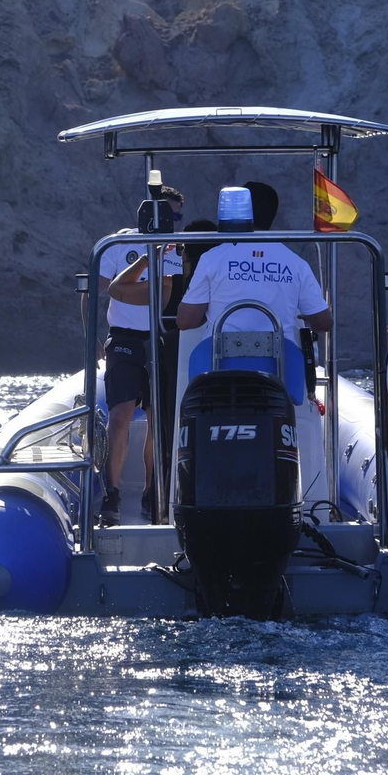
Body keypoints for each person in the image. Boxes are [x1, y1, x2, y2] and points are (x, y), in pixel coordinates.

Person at [108, 219, 218, 521]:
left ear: (184, 254)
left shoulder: (171, 285)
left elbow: (117, 290)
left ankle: (159, 499)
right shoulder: (229, 286)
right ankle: (158, 494)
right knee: (165, 427)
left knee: (164, 428)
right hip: (214, 374)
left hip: (177, 372)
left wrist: (149, 257)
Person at [95, 185, 184, 526]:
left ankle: (152, 491)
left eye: (176, 216)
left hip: (163, 337)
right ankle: (113, 492)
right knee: (120, 414)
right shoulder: (116, 244)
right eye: (167, 215)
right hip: (124, 337)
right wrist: (90, 339)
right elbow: (95, 288)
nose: (172, 222)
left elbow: (175, 295)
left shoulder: (180, 248)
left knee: (158, 417)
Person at [177, 187, 332, 338]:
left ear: (237, 210)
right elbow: (324, 324)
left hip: (222, 360)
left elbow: (185, 322)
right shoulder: (296, 264)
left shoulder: (212, 258)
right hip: (280, 360)